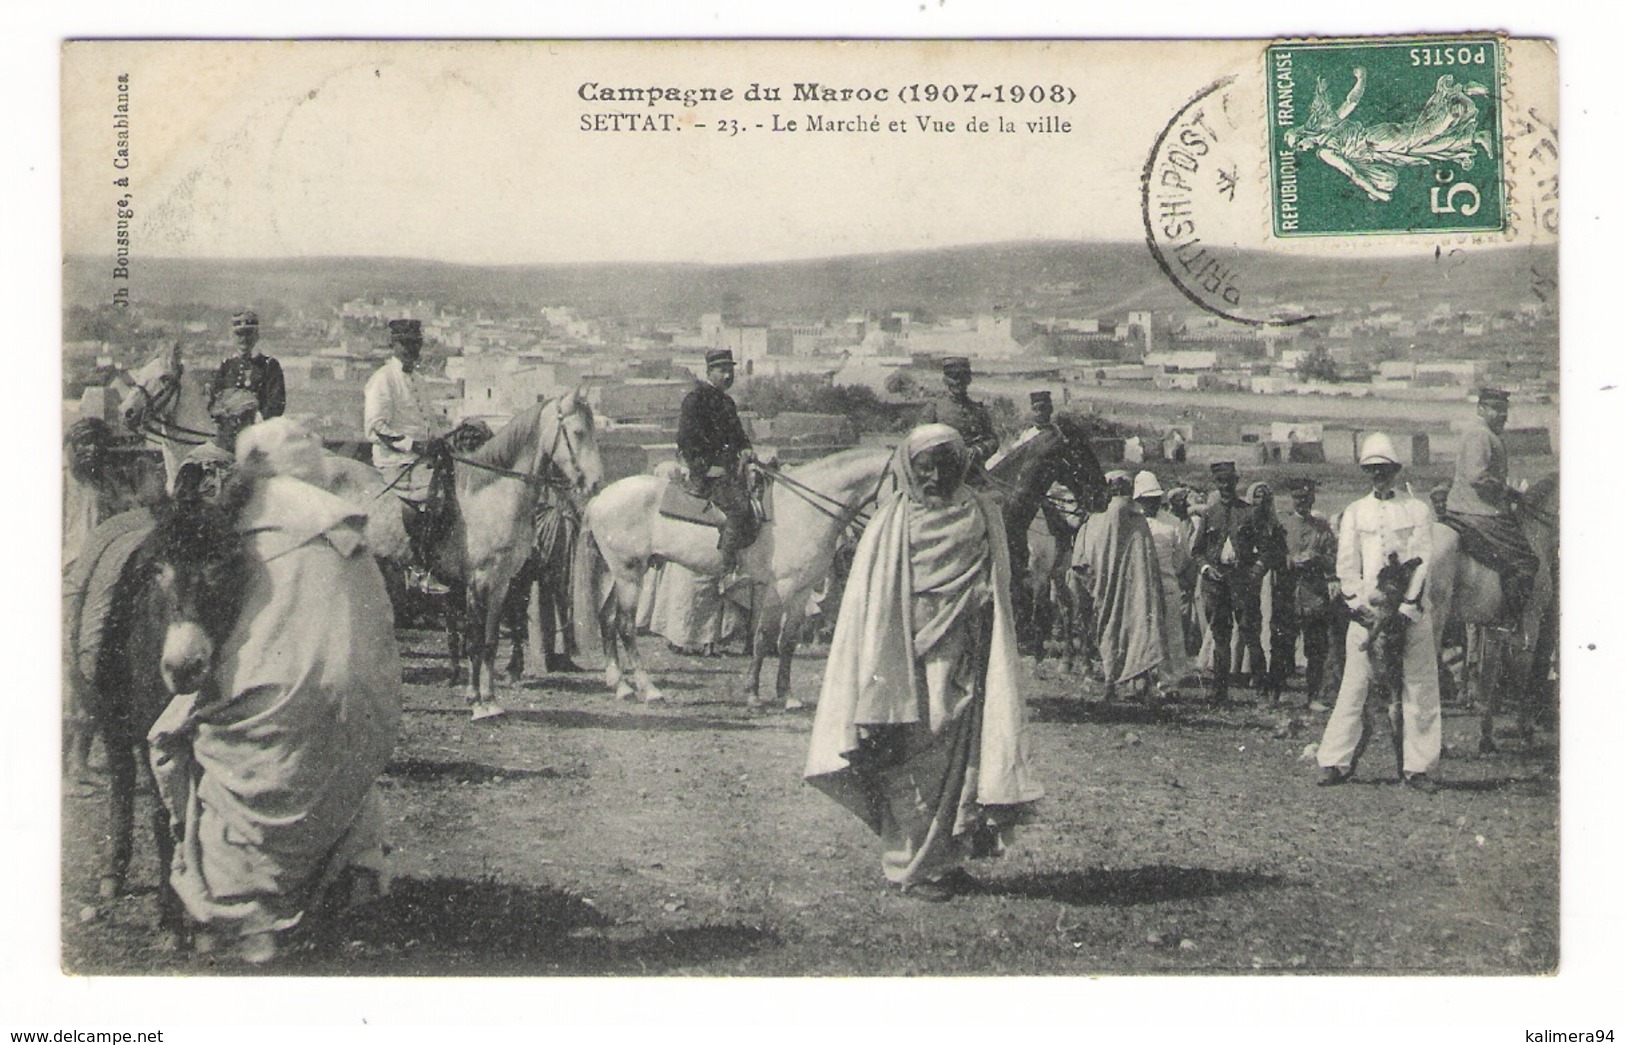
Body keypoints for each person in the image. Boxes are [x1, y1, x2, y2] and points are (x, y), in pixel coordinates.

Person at [148, 418, 401, 963]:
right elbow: (382, 630)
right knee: (348, 767)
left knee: (205, 743)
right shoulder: (347, 529)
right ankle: (344, 878)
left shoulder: (244, 524)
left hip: (280, 710)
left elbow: (234, 633)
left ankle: (247, 909)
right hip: (360, 707)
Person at [805, 425, 1043, 902]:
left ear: (960, 466)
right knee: (910, 758)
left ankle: (944, 861)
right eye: (924, 467)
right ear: (910, 470)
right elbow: (870, 612)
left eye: (945, 465)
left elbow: (998, 584)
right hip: (903, 665)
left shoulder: (981, 514)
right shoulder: (888, 526)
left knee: (959, 759)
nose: (934, 476)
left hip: (965, 658)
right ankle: (907, 866)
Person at [1315, 433, 1442, 792]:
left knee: (1420, 686)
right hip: (1368, 615)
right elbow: (1347, 567)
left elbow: (1423, 560)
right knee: (1353, 687)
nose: (1378, 476)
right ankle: (1335, 762)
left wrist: (1406, 608)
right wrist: (1357, 607)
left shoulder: (1417, 510)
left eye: (1384, 469)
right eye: (1372, 470)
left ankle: (1418, 768)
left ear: (1396, 470)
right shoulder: (1356, 512)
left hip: (1411, 613)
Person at [1442, 388, 1541, 625]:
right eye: (1496, 409)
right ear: (1481, 409)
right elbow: (1478, 477)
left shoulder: (1483, 434)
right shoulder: (1481, 435)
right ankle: (1510, 619)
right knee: (1527, 562)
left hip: (1465, 509)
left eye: (1504, 410)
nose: (1502, 415)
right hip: (1479, 513)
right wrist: (1508, 492)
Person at [1073, 470, 1165, 701]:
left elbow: (1082, 561)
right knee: (1127, 630)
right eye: (1115, 493)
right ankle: (1117, 682)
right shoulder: (1115, 521)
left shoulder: (1112, 521)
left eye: (1122, 493)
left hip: (1128, 594)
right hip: (1123, 594)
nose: (1118, 500)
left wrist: (1094, 583)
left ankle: (1133, 683)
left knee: (1129, 631)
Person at [363, 319, 449, 568]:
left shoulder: (419, 380)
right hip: (396, 460)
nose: (412, 349)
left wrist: (440, 442)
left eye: (416, 344)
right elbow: (376, 428)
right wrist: (414, 446)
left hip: (423, 461)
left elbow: (430, 423)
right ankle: (420, 567)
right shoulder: (383, 379)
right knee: (432, 497)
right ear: (394, 345)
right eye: (406, 344)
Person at [676, 348, 757, 574]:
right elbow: (686, 441)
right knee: (739, 508)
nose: (728, 376)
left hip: (729, 473)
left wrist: (747, 449)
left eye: (731, 370)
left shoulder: (727, 402)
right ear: (709, 372)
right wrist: (707, 468)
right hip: (708, 476)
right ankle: (726, 567)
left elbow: (739, 436)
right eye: (722, 370)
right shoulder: (695, 400)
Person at [1189, 460, 1251, 703]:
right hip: (1216, 584)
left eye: (1229, 482)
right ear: (1216, 484)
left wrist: (1250, 568)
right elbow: (1197, 551)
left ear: (1236, 483)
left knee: (1249, 632)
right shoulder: (1209, 514)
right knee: (1221, 636)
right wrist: (1206, 569)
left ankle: (1264, 689)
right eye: (1220, 482)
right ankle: (1220, 690)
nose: (1225, 486)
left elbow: (1261, 549)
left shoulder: (1247, 512)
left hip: (1241, 583)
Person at [1278, 478, 1339, 705]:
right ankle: (1282, 693)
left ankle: (1314, 695)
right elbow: (1274, 553)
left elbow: (1334, 558)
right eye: (1297, 498)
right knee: (1284, 644)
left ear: (1312, 499)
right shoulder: (1284, 526)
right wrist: (1289, 561)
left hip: (1314, 595)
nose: (1301, 502)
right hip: (1288, 594)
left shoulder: (1321, 528)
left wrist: (1317, 558)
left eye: (1305, 498)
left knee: (1316, 648)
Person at [1136, 471, 1192, 689]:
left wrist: (1168, 573)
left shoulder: (1172, 523)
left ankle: (1171, 682)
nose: (1151, 504)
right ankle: (1143, 679)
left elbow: (1182, 556)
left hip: (1167, 584)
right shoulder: (1134, 523)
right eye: (1146, 499)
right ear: (1138, 499)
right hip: (1141, 587)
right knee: (1144, 633)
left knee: (1171, 633)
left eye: (1154, 499)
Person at [1231, 480, 1287, 695]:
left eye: (1264, 497)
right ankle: (1247, 669)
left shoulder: (1274, 524)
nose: (1260, 501)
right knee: (1248, 623)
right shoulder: (1245, 521)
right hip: (1249, 576)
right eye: (1256, 496)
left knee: (1267, 620)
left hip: (1268, 577)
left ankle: (1264, 674)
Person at [918, 356, 1000, 475]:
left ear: (969, 380)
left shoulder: (978, 409)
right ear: (945, 380)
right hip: (942, 476)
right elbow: (919, 441)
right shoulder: (934, 408)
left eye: (962, 377)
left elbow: (993, 440)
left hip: (974, 474)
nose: (958, 382)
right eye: (953, 377)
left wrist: (977, 451)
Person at [174, 388, 258, 503]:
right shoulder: (195, 465)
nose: (253, 428)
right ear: (235, 421)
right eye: (250, 421)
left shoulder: (252, 460)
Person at [208, 309, 286, 420]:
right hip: (228, 428)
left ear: (257, 336)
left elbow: (277, 404)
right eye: (239, 334)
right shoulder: (227, 366)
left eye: (249, 333)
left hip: (258, 430)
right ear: (233, 337)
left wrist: (258, 417)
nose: (244, 339)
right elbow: (214, 400)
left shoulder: (269, 365)